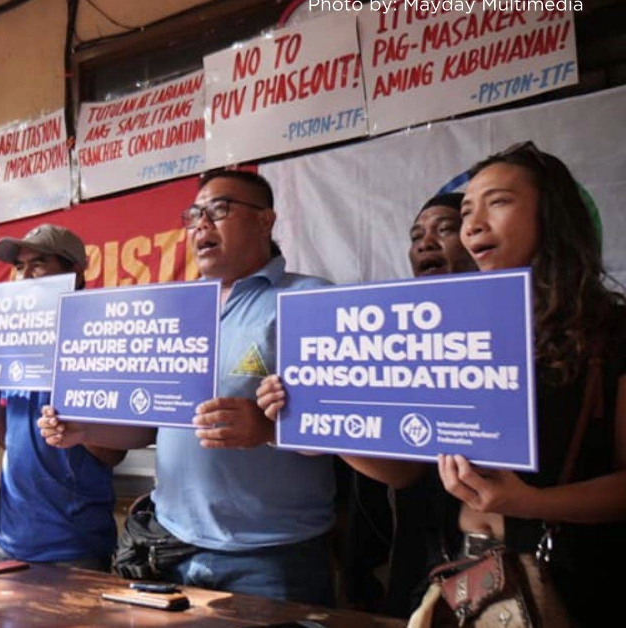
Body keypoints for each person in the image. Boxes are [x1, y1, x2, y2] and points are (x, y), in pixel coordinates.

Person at [261, 142, 626, 626]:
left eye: (498, 202)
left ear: (552, 215)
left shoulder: (609, 333)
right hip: (450, 580)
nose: (474, 225)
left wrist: (529, 503)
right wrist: (316, 422)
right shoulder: (441, 333)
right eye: (468, 210)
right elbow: (405, 472)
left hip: (569, 585)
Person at [40, 170, 335, 604]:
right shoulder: (175, 308)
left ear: (264, 220)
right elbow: (149, 427)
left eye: (219, 210)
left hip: (269, 557)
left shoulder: (310, 300)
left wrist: (269, 430)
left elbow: (347, 425)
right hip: (169, 547)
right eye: (195, 215)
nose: (201, 225)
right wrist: (84, 429)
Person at [0, 224, 123, 570]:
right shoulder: (12, 343)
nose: (25, 276)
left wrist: (73, 410)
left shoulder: (97, 340)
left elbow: (112, 453)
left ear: (75, 272)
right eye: (19, 267)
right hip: (9, 539)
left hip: (74, 546)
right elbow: (7, 438)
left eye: (38, 264)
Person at [343, 191, 477, 615]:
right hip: (420, 558)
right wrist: (319, 426)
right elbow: (405, 472)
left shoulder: (532, 334)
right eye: (416, 236)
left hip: (510, 555)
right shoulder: (391, 340)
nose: (425, 243)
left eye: (445, 229)